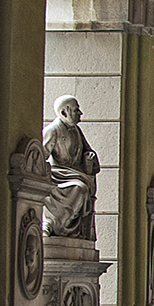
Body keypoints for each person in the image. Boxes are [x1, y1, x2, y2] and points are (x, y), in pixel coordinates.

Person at [42, 96, 102, 239]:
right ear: (64, 113)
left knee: (81, 187)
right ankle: (53, 224)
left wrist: (89, 157)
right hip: (58, 174)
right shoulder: (52, 130)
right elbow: (40, 156)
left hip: (75, 173)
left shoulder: (76, 131)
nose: (80, 113)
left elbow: (88, 151)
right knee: (79, 188)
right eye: (76, 110)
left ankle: (61, 225)